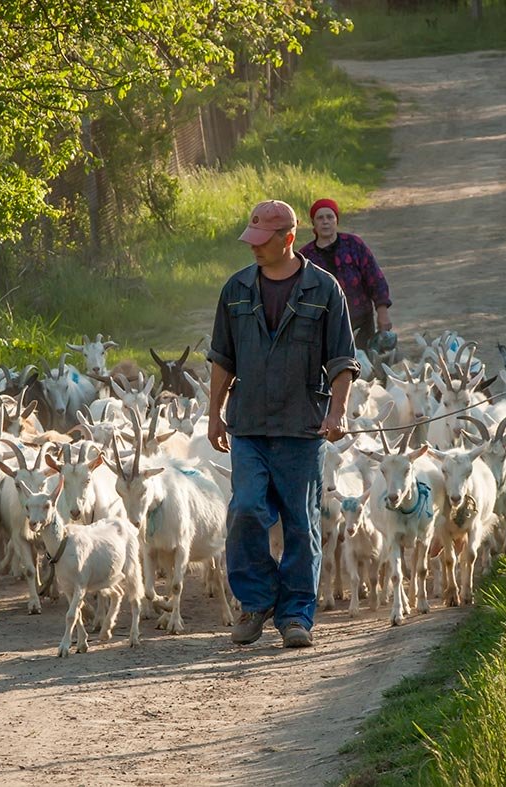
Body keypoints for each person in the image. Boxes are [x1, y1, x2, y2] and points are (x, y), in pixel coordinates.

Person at [207, 199, 359, 649]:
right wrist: (213, 413)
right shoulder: (235, 290)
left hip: (302, 428)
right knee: (245, 510)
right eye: (250, 240)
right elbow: (222, 359)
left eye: (262, 240)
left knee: (300, 524)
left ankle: (296, 616)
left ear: (288, 239)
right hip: (249, 425)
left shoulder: (324, 289)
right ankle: (256, 601)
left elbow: (342, 360)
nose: (253, 248)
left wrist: (338, 411)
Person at [298, 198, 393, 351]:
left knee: (367, 365)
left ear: (336, 220)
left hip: (361, 319)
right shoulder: (305, 257)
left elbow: (375, 278)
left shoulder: (354, 245)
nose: (325, 222)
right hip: (326, 325)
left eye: (330, 217)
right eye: (320, 218)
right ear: (313, 223)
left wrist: (382, 312)